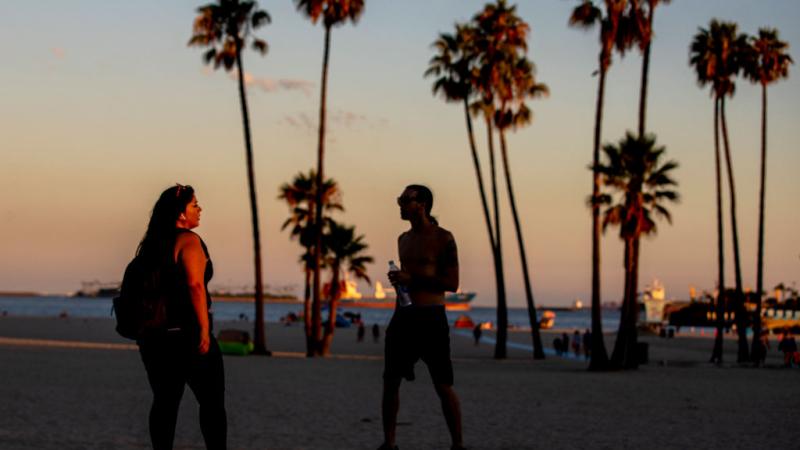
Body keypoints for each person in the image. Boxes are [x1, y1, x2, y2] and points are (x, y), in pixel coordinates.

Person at [135, 184, 227, 450]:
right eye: (195, 205)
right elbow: (195, 286)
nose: (200, 209)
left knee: (164, 402)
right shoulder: (188, 240)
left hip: (153, 337)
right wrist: (203, 330)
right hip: (185, 335)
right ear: (180, 213)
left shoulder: (151, 244)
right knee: (212, 402)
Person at [379, 185, 464, 450]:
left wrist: (411, 278)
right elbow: (406, 283)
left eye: (406, 200)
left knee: (443, 384)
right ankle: (389, 444)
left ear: (422, 204)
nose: (401, 204)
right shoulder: (402, 239)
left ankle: (457, 444)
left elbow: (452, 283)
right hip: (404, 317)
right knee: (390, 382)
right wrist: (399, 295)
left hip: (431, 319)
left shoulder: (443, 238)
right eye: (400, 199)